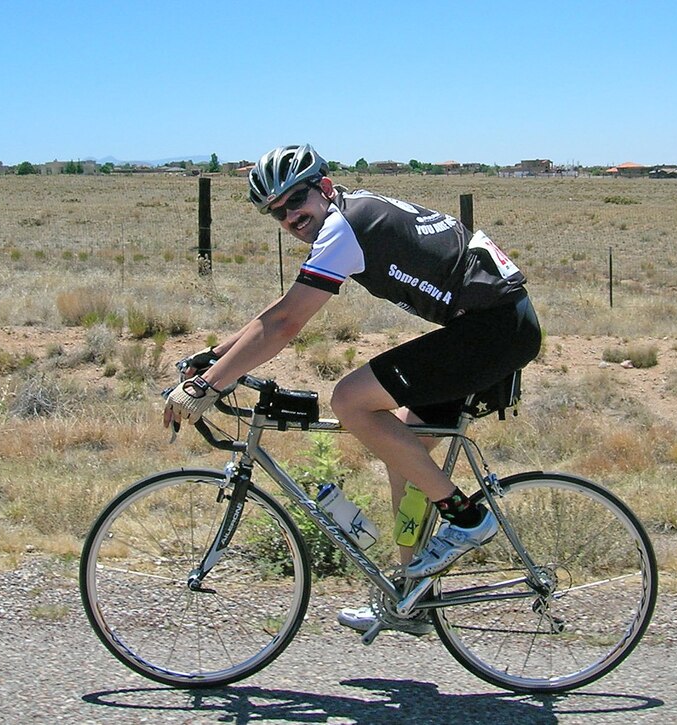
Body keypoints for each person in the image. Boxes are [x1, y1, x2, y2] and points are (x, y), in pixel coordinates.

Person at [164, 144, 541, 635]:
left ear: (323, 187)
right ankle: (410, 599)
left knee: (350, 400)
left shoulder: (343, 228)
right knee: (408, 457)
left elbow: (284, 324)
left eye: (294, 200)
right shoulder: (351, 211)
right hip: (489, 323)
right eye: (275, 212)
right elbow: (276, 313)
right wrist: (215, 359)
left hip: (492, 329)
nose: (289, 216)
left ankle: (468, 519)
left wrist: (206, 386)